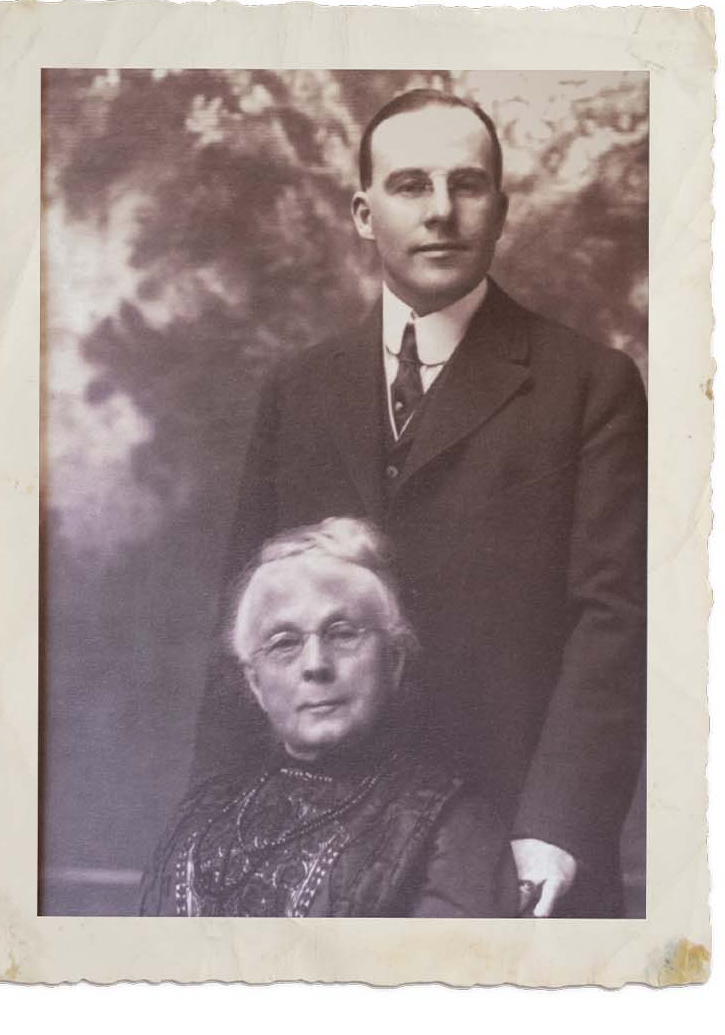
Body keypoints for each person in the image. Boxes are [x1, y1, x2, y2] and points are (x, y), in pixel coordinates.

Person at [191, 88, 647, 917]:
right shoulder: (300, 388)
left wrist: (559, 824)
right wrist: (211, 815)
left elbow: (613, 621)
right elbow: (245, 620)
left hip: (511, 842)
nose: (441, 211)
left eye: (467, 185)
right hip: (319, 842)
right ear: (364, 213)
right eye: (410, 186)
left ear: (501, 210)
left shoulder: (589, 385)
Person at [141, 518, 516, 918]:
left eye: (342, 633)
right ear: (255, 682)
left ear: (393, 661)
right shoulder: (205, 815)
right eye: (284, 643)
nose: (316, 665)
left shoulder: (456, 828)